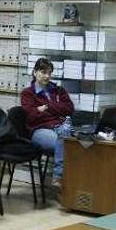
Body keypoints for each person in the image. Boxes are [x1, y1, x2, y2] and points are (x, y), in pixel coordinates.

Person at [20, 58, 74, 187]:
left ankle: (71, 186)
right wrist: (56, 109)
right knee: (66, 143)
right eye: (43, 72)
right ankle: (58, 177)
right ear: (34, 72)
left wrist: (47, 107)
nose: (47, 76)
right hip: (39, 130)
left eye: (49, 73)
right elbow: (31, 116)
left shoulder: (58, 90)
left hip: (60, 127)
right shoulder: (28, 93)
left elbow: (70, 109)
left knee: (76, 144)